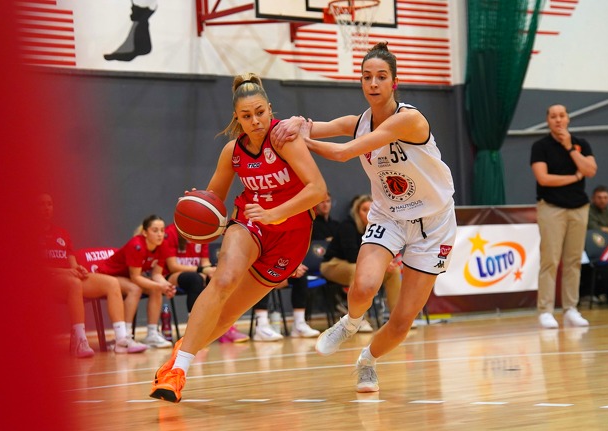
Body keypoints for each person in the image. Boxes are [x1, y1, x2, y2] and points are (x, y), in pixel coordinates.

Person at [273, 42, 457, 393]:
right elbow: (313, 127)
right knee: (364, 285)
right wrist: (296, 123)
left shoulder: (410, 119)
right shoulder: (356, 122)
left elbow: (343, 153)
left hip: (434, 224)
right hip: (389, 216)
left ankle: (367, 361)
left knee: (402, 320)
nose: (373, 83)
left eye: (381, 77)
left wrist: (305, 140)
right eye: (367, 76)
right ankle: (350, 323)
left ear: (394, 83)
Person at [149, 72, 327, 402]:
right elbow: (214, 200)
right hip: (251, 222)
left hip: (290, 237)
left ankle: (178, 354)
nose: (255, 121)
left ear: (270, 109)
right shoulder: (232, 151)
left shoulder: (285, 140)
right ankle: (178, 372)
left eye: (260, 112)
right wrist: (198, 204)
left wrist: (277, 213)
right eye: (246, 116)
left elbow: (318, 189)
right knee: (223, 280)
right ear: (237, 118)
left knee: (229, 314)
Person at [40, 193, 147, 357]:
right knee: (74, 284)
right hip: (45, 281)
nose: (46, 208)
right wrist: (66, 272)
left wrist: (78, 269)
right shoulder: (28, 234)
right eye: (41, 204)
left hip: (69, 278)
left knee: (112, 283)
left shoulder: (62, 234)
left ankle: (121, 340)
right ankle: (79, 340)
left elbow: (71, 262)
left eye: (49, 204)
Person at [530, 104, 597, 329]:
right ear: (548, 120)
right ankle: (545, 311)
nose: (558, 120)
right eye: (553, 116)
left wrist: (570, 148)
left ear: (568, 118)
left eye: (561, 116)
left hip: (579, 208)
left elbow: (590, 170)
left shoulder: (581, 143)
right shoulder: (540, 146)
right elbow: (544, 179)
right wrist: (575, 177)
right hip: (551, 208)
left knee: (574, 261)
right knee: (550, 260)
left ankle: (571, 309)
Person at [320, 194, 403, 333]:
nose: (368, 213)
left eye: (371, 209)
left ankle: (396, 319)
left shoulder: (377, 228)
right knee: (357, 271)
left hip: (362, 265)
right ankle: (357, 319)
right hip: (332, 264)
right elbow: (352, 256)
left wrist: (384, 265)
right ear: (357, 212)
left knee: (393, 271)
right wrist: (379, 265)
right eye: (364, 210)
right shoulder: (348, 226)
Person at [98, 214, 176, 348]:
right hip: (108, 276)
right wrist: (160, 286)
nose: (160, 234)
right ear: (145, 233)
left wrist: (166, 286)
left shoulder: (163, 245)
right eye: (155, 230)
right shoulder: (136, 245)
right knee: (135, 289)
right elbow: (135, 277)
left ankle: (152, 334)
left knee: (156, 288)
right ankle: (125, 336)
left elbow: (157, 274)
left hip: (128, 277)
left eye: (162, 230)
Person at [162, 224, 249, 343]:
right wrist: (201, 270)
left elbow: (205, 262)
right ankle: (193, 331)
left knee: (220, 280)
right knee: (195, 279)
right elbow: (173, 266)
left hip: (197, 273)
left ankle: (225, 328)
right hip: (172, 276)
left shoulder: (202, 231)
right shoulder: (171, 232)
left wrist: (211, 271)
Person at [581, 185, 608, 303]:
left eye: (605, 197)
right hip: (593, 247)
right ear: (593, 198)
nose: (602, 200)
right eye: (599, 197)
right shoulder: (588, 211)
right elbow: (595, 229)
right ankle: (588, 294)